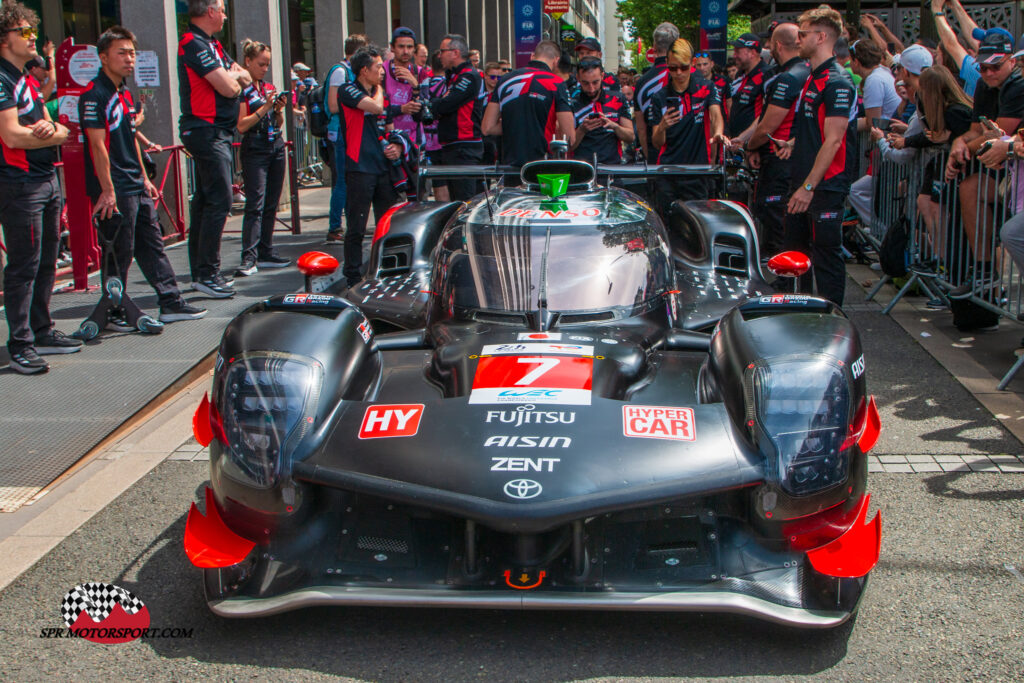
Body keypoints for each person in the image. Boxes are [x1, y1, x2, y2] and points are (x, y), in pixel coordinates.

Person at [80, 26, 207, 327]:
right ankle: (112, 311)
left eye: (132, 53)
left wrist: (146, 179)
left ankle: (171, 302)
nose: (129, 59)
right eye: (121, 53)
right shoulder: (93, 95)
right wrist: (108, 190)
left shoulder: (123, 92)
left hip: (135, 184)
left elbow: (130, 137)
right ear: (103, 57)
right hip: (116, 189)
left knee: (152, 245)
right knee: (118, 254)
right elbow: (97, 147)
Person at [0, 0, 80, 373]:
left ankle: (42, 329)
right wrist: (44, 133)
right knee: (24, 265)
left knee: (48, 259)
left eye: (33, 30)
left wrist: (49, 132)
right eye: (25, 32)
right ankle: (20, 343)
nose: (33, 38)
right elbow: (12, 136)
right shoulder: (1, 78)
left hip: (46, 177)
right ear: (4, 39)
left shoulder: (27, 79)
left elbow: (61, 129)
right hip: (19, 183)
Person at [776, 7, 857, 306]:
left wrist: (809, 187)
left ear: (822, 37)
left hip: (824, 185)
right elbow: (819, 128)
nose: (798, 39)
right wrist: (794, 143)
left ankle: (832, 319)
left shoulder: (837, 81)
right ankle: (799, 312)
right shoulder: (814, 76)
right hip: (803, 180)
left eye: (804, 33)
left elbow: (835, 139)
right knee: (796, 252)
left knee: (825, 255)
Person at [177, 0, 251, 298]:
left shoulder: (213, 44)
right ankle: (207, 272)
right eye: (221, 9)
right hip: (204, 129)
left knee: (208, 198)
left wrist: (233, 76)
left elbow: (242, 77)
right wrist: (232, 76)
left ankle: (202, 272)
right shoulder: (193, 43)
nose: (224, 14)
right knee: (220, 197)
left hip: (217, 131)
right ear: (209, 11)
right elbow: (231, 86)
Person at [944, 31, 1024, 297]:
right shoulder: (983, 84)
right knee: (970, 190)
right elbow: (978, 131)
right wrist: (959, 143)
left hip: (1015, 174)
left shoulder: (1017, 85)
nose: (988, 73)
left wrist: (967, 146)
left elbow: (999, 135)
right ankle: (983, 269)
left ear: (1011, 62)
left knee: (1012, 233)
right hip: (1011, 176)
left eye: (995, 66)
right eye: (983, 67)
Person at [741, 23, 809, 256]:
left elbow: (767, 124)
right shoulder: (808, 71)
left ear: (777, 45)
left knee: (776, 213)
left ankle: (784, 273)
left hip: (782, 158)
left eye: (770, 42)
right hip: (795, 156)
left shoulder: (788, 78)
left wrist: (749, 146)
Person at [337, 45, 402, 286]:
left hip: (383, 167)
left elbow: (390, 127)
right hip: (359, 167)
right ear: (364, 70)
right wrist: (380, 91)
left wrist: (397, 147)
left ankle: (384, 270)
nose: (383, 72)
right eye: (378, 67)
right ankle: (352, 276)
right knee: (357, 225)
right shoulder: (348, 90)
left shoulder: (378, 92)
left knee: (387, 224)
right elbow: (376, 107)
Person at [232, 39, 290, 276]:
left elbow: (278, 123)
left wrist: (277, 110)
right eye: (261, 64)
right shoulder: (242, 90)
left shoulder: (267, 87)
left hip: (274, 143)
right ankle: (249, 256)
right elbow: (242, 125)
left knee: (271, 202)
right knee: (255, 203)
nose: (264, 69)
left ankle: (266, 250)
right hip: (254, 147)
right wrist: (265, 108)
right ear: (248, 62)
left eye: (267, 64)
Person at [648, 38, 727, 208]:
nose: (679, 73)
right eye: (673, 68)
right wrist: (662, 126)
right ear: (667, 64)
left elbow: (715, 114)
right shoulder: (659, 97)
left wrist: (718, 132)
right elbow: (656, 142)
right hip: (668, 173)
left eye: (684, 67)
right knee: (669, 226)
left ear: (693, 63)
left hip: (697, 173)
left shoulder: (706, 88)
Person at [481, 40, 574, 170]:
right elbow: (569, 136)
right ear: (556, 61)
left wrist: (517, 123)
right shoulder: (556, 83)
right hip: (542, 163)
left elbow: (487, 127)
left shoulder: (505, 80)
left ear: (532, 56)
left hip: (510, 164)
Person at [914, 65, 973, 263]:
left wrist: (947, 139)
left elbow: (963, 140)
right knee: (926, 202)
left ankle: (944, 258)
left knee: (940, 210)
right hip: (945, 165)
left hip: (960, 171)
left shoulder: (955, 112)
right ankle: (939, 255)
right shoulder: (948, 111)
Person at [324, 33, 366, 243]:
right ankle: (335, 227)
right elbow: (333, 105)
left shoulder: (348, 71)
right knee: (342, 181)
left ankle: (346, 225)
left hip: (348, 131)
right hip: (339, 132)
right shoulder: (340, 72)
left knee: (347, 180)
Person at [433, 33, 483, 201]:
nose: (439, 55)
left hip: (464, 146)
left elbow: (446, 104)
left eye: (442, 51)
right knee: (457, 200)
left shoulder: (468, 75)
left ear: (455, 53)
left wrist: (435, 105)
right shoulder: (453, 75)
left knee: (465, 202)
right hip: (453, 146)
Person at [572, 57, 633, 164]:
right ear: (578, 78)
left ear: (602, 76)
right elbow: (568, 146)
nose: (591, 89)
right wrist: (582, 130)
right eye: (585, 83)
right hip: (583, 170)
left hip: (612, 169)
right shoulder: (571, 104)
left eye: (595, 82)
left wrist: (614, 126)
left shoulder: (618, 99)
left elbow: (631, 137)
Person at [633, 22, 678, 160]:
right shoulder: (689, 76)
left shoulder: (641, 82)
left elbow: (640, 127)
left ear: (654, 47)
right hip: (686, 156)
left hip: (656, 155)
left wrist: (649, 157)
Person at [383, 27, 424, 149]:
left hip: (414, 140)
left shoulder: (421, 73)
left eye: (410, 47)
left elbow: (428, 110)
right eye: (401, 46)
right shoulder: (382, 71)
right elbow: (376, 108)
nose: (406, 51)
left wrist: (415, 85)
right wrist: (401, 109)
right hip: (388, 141)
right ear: (392, 47)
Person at [932, 0, 982, 97]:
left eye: (937, 54)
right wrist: (955, 5)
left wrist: (936, 9)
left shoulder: (980, 72)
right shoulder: (993, 66)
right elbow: (975, 37)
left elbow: (951, 45)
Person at [728, 32, 768, 140]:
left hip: (753, 144)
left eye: (737, 51)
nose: (734, 55)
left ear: (752, 53)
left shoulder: (767, 75)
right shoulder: (740, 73)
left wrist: (745, 138)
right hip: (735, 141)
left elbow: (766, 114)